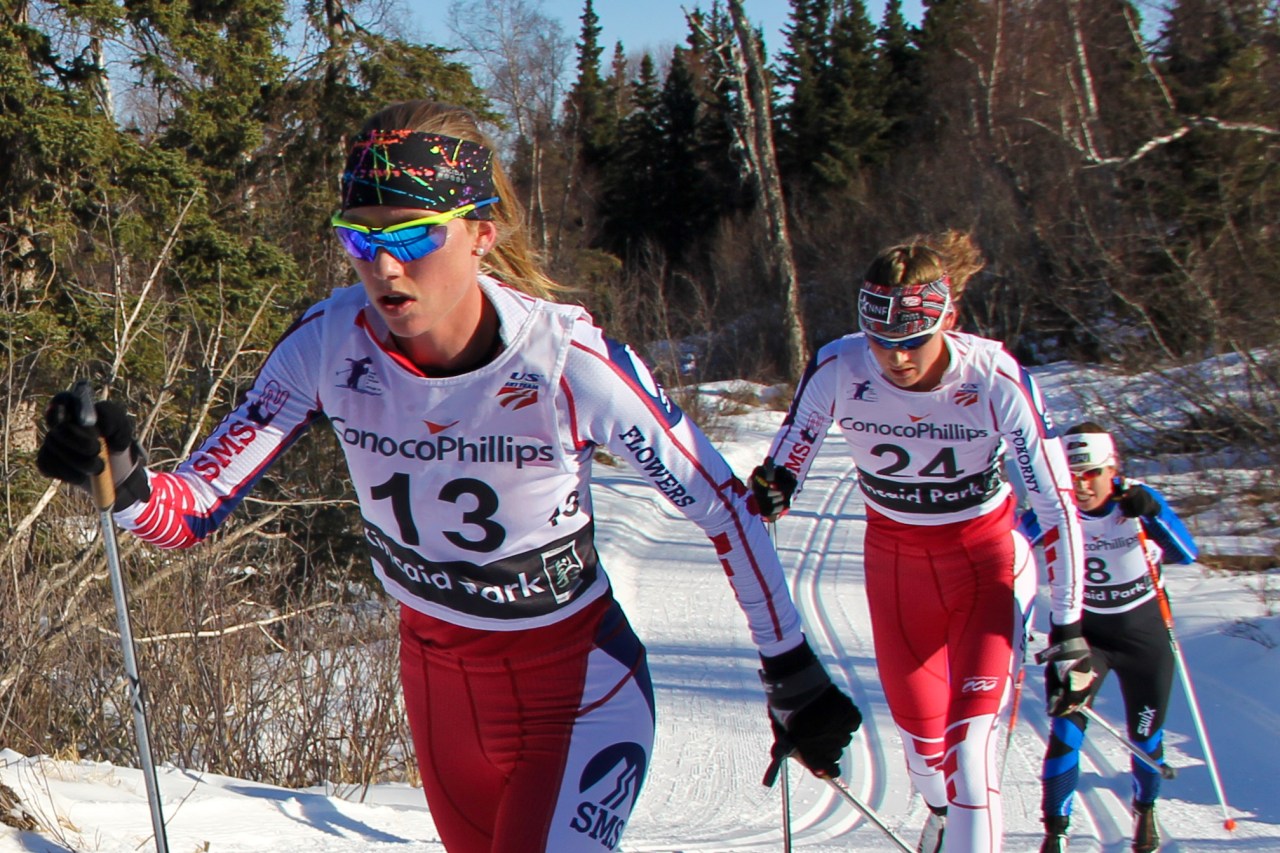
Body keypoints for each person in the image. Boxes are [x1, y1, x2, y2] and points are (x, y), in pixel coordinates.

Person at [36, 100, 861, 853]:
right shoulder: (327, 343)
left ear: (480, 233)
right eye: (360, 237)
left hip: (576, 693)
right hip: (439, 697)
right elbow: (194, 509)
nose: (384, 268)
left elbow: (725, 509)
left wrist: (792, 669)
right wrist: (122, 477)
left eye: (411, 237)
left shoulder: (568, 360)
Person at [749, 231, 1091, 853]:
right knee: (926, 752)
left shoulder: (994, 377)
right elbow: (790, 452)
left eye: (913, 341)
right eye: (882, 341)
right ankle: (939, 816)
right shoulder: (841, 365)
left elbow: (1056, 503)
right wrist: (778, 484)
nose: (897, 358)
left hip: (984, 563)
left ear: (948, 321)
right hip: (896, 568)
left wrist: (1068, 627)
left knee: (971, 751)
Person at [1019, 423, 1198, 853]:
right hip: (1086, 637)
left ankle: (1145, 809)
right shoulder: (1051, 509)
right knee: (1066, 730)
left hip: (1144, 638)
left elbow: (1186, 553)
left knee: (1146, 737)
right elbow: (1008, 552)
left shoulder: (1134, 501)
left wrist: (1152, 512)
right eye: (1072, 475)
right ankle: (1055, 832)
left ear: (1111, 470)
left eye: (1092, 474)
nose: (1082, 485)